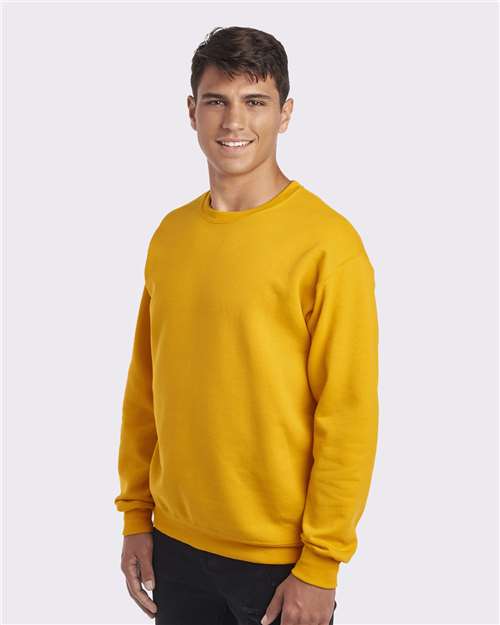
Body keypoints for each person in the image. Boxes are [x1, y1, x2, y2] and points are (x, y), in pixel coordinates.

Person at [114, 25, 379, 625]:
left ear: (285, 114)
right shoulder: (171, 236)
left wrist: (321, 564)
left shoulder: (328, 246)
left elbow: (348, 415)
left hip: (279, 561)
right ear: (192, 112)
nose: (234, 120)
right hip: (175, 542)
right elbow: (145, 387)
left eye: (255, 101)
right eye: (217, 100)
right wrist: (135, 516)